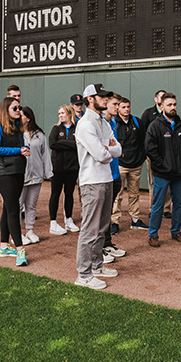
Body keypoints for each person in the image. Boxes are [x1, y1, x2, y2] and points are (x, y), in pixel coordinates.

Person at [73, 83, 121, 289]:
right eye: (101, 96)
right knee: (90, 229)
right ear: (90, 99)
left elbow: (118, 149)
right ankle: (83, 274)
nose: (106, 99)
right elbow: (102, 155)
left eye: (106, 96)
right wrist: (107, 147)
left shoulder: (103, 122)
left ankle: (97, 265)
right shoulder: (85, 124)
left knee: (102, 228)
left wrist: (106, 147)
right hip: (92, 182)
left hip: (106, 179)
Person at [145, 92, 181, 247]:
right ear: (162, 107)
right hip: (162, 174)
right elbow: (150, 149)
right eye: (169, 105)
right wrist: (162, 164)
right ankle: (153, 234)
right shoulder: (155, 125)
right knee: (158, 205)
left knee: (178, 204)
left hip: (179, 174)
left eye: (174, 104)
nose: (173, 107)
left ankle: (176, 231)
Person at [0, 97, 30, 267]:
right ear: (6, 109)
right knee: (14, 209)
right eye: (15, 108)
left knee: (8, 208)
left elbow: (21, 146)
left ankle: (4, 247)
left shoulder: (18, 127)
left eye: (19, 107)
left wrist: (24, 150)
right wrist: (18, 150)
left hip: (18, 170)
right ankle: (20, 250)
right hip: (4, 173)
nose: (18, 111)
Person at [113, 97, 149, 230]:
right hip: (120, 165)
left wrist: (141, 157)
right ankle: (114, 222)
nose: (126, 109)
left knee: (134, 194)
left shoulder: (137, 122)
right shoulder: (114, 124)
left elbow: (144, 141)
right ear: (118, 108)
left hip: (136, 165)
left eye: (128, 106)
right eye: (123, 107)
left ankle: (135, 220)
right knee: (117, 195)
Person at [19, 106, 53, 246]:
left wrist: (48, 172)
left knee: (31, 205)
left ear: (28, 118)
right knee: (18, 205)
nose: (19, 117)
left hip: (36, 176)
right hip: (21, 176)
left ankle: (30, 230)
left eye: (21, 115)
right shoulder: (15, 133)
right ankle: (17, 233)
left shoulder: (39, 134)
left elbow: (45, 155)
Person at [48, 104, 80, 235]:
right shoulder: (56, 128)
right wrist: (70, 144)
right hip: (57, 168)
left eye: (62, 113)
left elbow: (79, 144)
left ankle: (68, 220)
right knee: (55, 193)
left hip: (72, 168)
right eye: (59, 113)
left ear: (69, 114)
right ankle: (53, 222)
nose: (60, 116)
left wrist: (62, 143)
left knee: (69, 193)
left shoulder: (77, 128)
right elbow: (52, 144)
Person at [102, 94, 126, 259]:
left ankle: (107, 243)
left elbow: (117, 148)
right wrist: (113, 148)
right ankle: (100, 249)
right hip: (103, 175)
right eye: (115, 104)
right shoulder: (100, 123)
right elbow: (103, 149)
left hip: (115, 174)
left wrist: (113, 148)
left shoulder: (113, 123)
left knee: (108, 213)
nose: (118, 107)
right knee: (101, 216)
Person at [141, 90, 171, 218]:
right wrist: (147, 152)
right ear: (156, 99)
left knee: (168, 181)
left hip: (167, 155)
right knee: (153, 182)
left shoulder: (170, 114)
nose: (163, 98)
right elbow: (142, 134)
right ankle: (153, 208)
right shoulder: (148, 114)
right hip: (152, 155)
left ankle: (166, 209)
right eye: (161, 97)